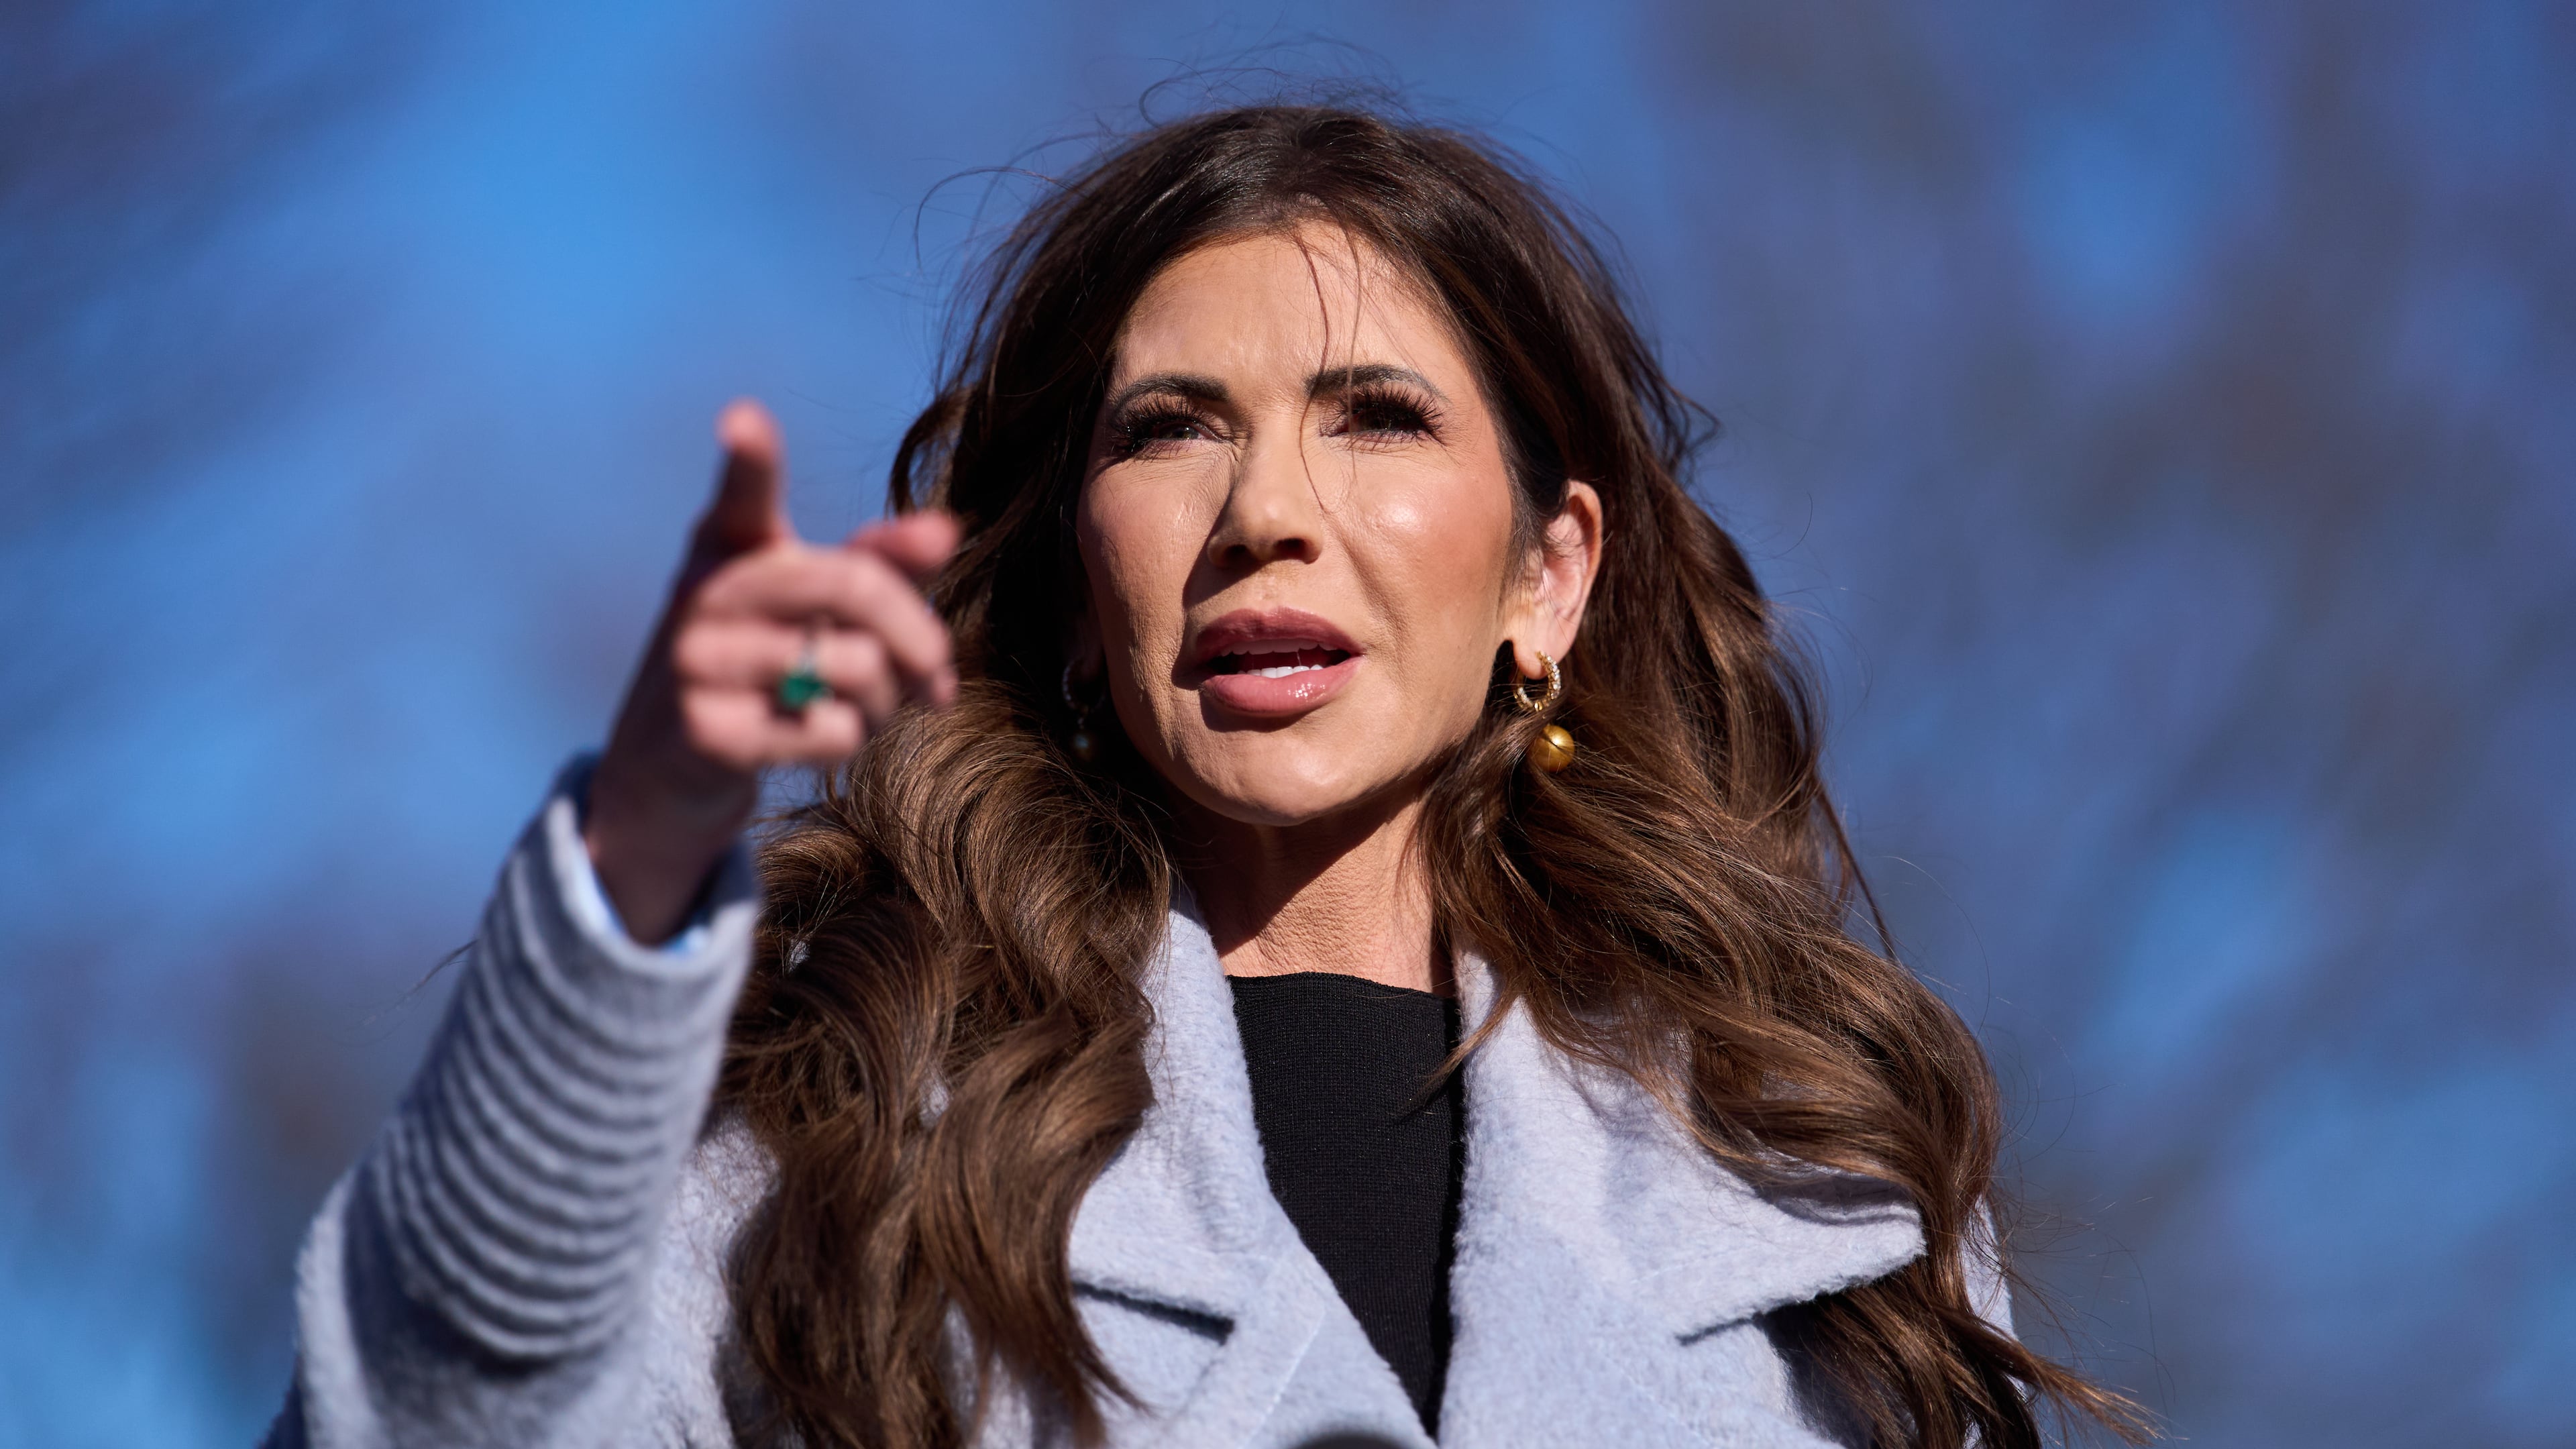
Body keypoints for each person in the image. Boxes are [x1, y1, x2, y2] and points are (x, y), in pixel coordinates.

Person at [262, 104, 2144, 1448]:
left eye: (1376, 418)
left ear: (1548, 577)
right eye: (1171, 430)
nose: (1264, 515)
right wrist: (637, 861)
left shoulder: (1816, 1197)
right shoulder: (824, 1145)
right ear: (1079, 591)